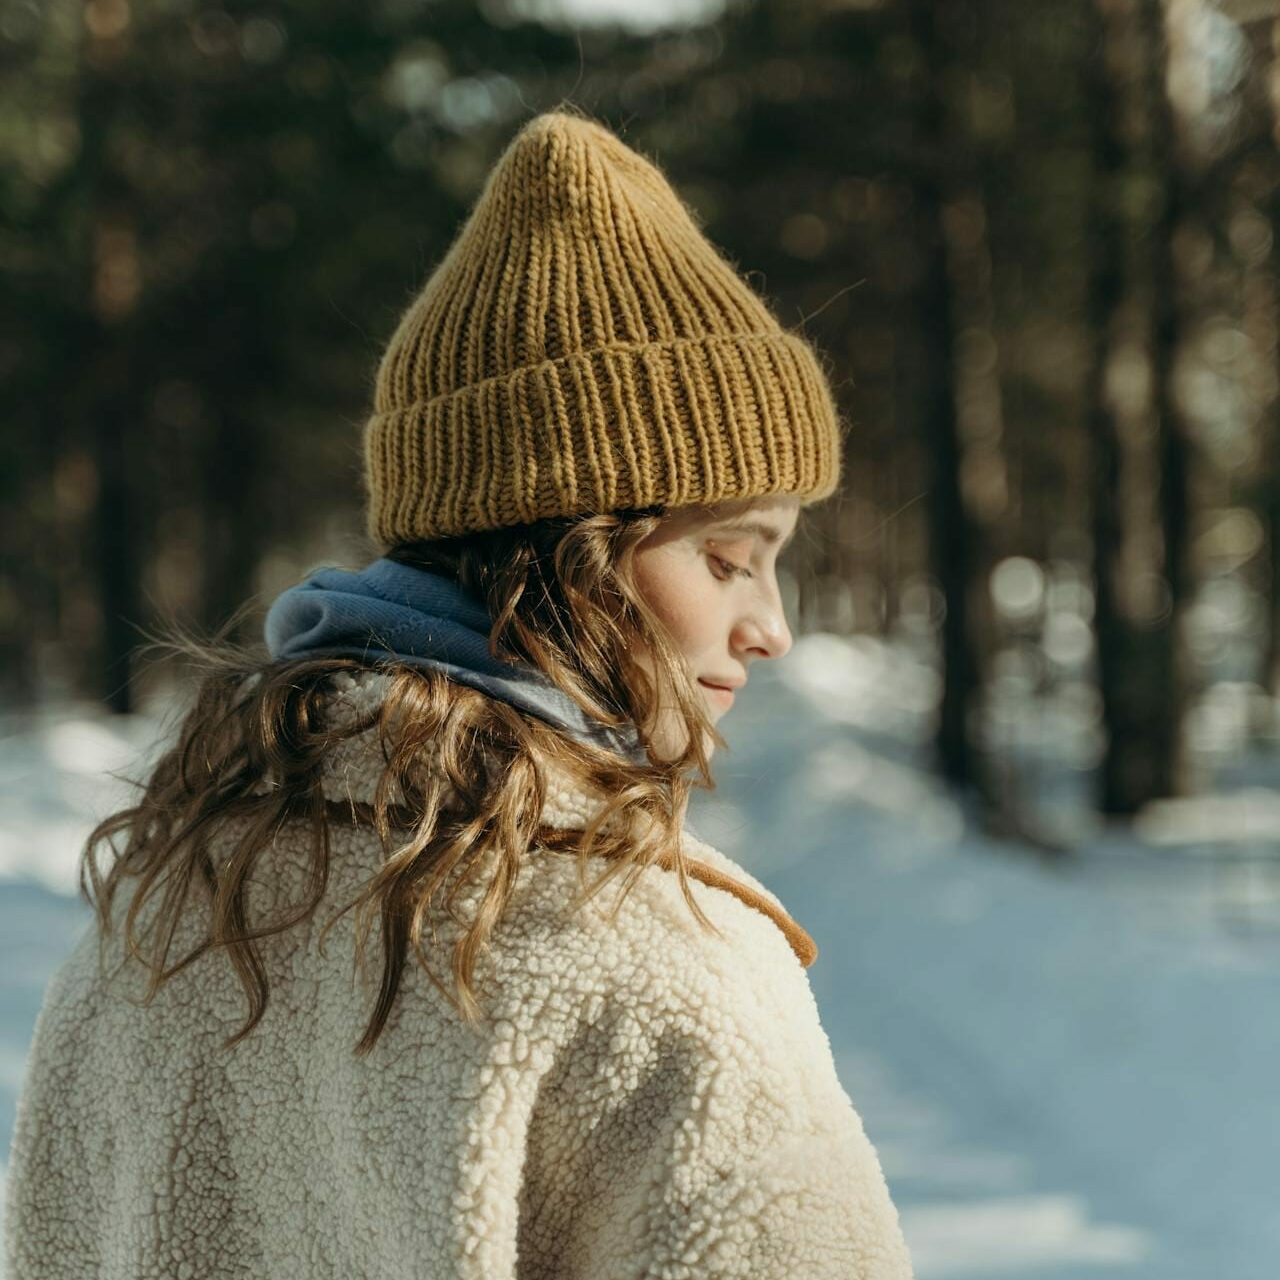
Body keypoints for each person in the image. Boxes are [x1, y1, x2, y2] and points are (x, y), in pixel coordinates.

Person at [4, 107, 915, 1278]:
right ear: (564, 548)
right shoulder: (652, 962)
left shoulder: (172, 908)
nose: (772, 626)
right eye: (728, 557)